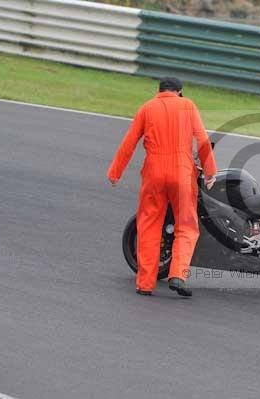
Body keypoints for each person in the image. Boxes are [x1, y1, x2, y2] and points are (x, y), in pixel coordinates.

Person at [107, 77, 217, 297]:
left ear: (158, 91)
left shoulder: (147, 107)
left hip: (154, 173)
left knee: (148, 225)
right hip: (182, 172)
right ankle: (178, 274)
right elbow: (202, 139)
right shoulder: (188, 105)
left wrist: (115, 172)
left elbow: (129, 141)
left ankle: (145, 284)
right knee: (186, 226)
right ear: (179, 92)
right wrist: (210, 171)